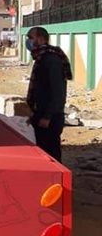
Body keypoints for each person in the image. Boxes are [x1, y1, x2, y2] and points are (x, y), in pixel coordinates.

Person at [25, 26, 72, 162]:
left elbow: (57, 91)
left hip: (50, 117)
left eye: (30, 38)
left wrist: (47, 116)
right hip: (41, 112)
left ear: (40, 39)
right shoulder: (41, 58)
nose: (28, 41)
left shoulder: (51, 60)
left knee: (51, 153)